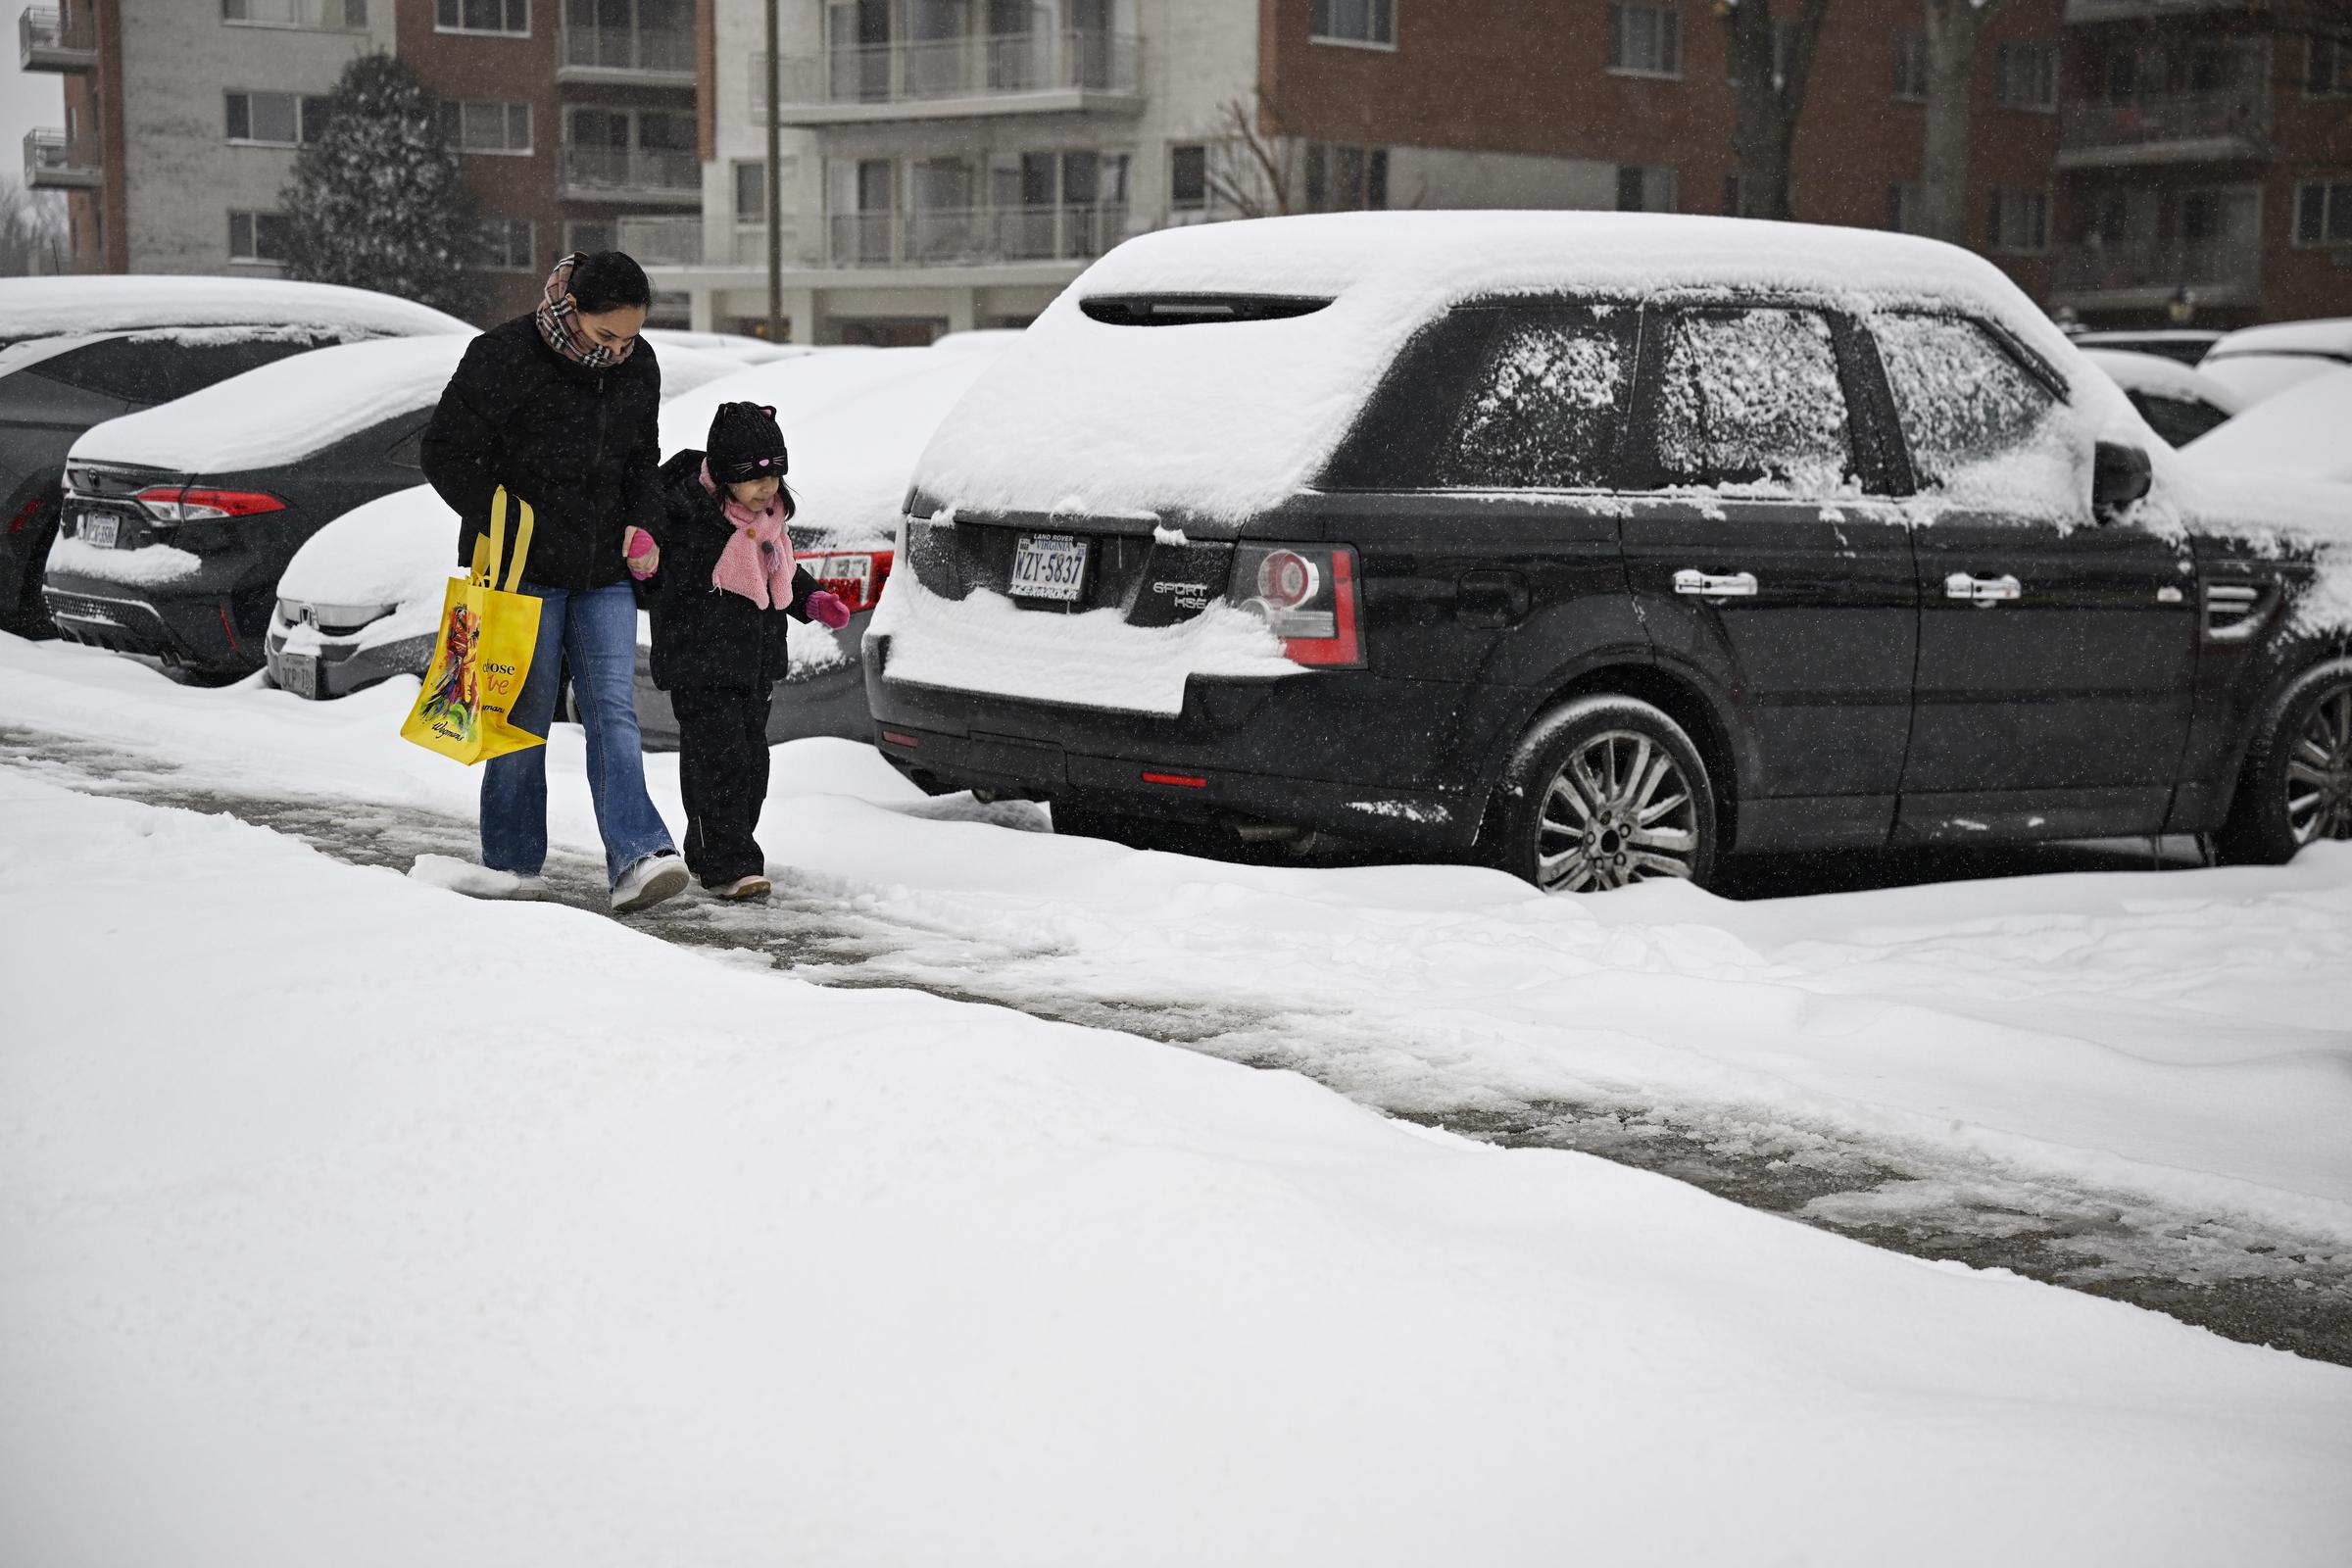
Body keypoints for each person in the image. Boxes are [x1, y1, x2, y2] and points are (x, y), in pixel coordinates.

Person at [419, 250, 690, 914]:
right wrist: (508, 518)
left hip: (604, 571)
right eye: (607, 336)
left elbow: (641, 462)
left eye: (631, 338)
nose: (621, 351)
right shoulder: (503, 355)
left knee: (614, 714)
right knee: (520, 716)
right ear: (572, 311)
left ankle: (639, 856)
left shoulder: (640, 366)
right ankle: (512, 863)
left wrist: (645, 523)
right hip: (521, 570)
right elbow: (445, 453)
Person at [628, 402, 851, 899]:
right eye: (755, 479)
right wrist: (647, 568)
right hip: (699, 662)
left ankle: (715, 852)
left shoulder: (769, 519)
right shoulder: (685, 514)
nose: (768, 489)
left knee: (751, 765)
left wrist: (812, 600)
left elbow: (778, 572)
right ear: (726, 474)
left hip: (756, 662)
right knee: (718, 761)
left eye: (775, 477)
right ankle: (731, 865)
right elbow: (657, 583)